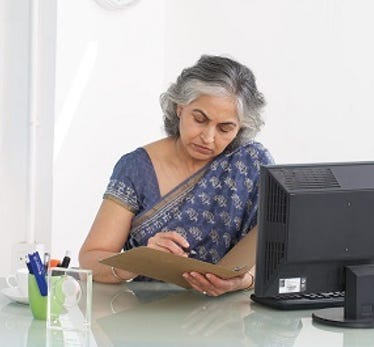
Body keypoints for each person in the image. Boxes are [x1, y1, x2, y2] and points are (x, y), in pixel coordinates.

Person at [79, 55, 273, 297]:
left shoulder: (250, 164)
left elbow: (276, 254)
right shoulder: (136, 168)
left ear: (241, 127)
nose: (208, 137)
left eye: (225, 128)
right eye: (199, 119)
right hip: (144, 316)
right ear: (180, 107)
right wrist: (141, 260)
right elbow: (91, 258)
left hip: (226, 318)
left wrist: (242, 281)